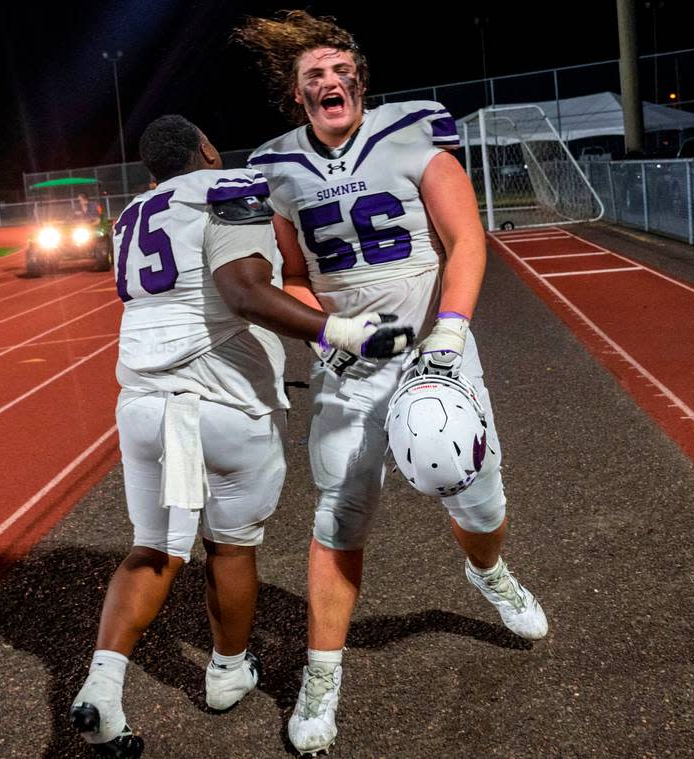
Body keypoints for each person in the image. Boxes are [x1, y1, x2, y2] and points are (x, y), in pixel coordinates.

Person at [235, 11, 548, 755]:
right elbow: (294, 276)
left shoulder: (412, 131)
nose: (329, 81)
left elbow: (465, 237)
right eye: (314, 74)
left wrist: (449, 332)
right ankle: (321, 673)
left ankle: (490, 572)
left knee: (477, 495)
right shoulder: (275, 167)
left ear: (360, 82)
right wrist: (327, 333)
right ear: (296, 91)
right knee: (339, 513)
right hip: (351, 360)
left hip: (438, 345)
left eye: (340, 70)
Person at [69, 113, 414, 758]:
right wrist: (343, 334)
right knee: (230, 545)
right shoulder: (226, 187)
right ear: (206, 147)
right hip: (222, 405)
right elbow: (243, 291)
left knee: (153, 549)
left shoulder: (130, 215)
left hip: (143, 404)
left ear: (151, 173)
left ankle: (102, 688)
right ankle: (227, 672)